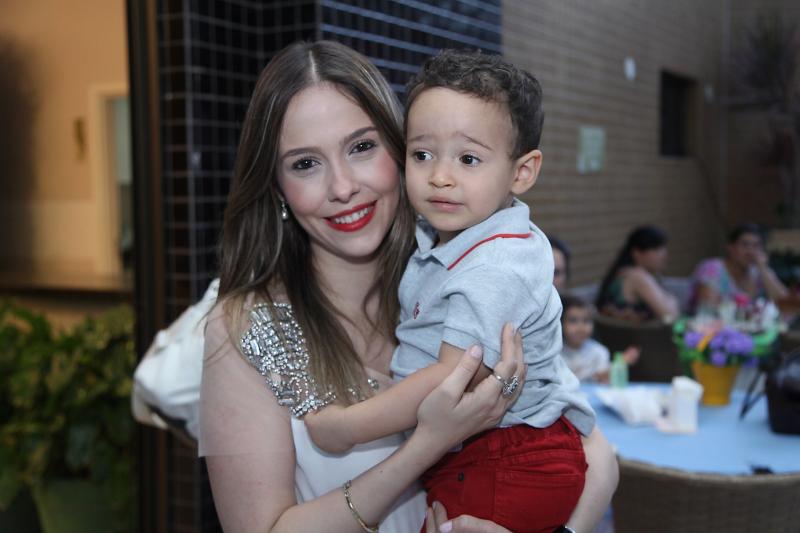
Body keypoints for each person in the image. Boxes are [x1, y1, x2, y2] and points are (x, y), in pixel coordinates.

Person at [199, 41, 617, 533]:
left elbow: (593, 450)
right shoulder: (244, 328)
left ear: (397, 151)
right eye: (305, 164)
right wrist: (426, 445)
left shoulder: (450, 275)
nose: (342, 187)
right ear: (277, 187)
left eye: (361, 147)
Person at [303, 49, 595, 533]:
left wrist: (347, 426)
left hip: (511, 456)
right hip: (489, 449)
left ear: (522, 172)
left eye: (468, 158)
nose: (440, 176)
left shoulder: (496, 263)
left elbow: (451, 376)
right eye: (422, 155)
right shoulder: (453, 239)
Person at [689, 223, 789, 314]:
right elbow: (708, 307)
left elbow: (785, 303)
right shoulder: (712, 268)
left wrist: (763, 269)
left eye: (756, 246)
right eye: (745, 245)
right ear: (730, 247)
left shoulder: (758, 272)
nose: (750, 251)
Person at [595, 225, 679, 323]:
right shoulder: (638, 276)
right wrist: (672, 300)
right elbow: (670, 317)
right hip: (640, 333)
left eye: (663, 247)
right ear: (637, 253)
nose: (663, 254)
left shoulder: (623, 272)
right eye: (656, 249)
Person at [560, 294, 640, 382]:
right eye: (573, 320)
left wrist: (620, 362)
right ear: (561, 324)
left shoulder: (599, 352)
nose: (581, 327)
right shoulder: (556, 352)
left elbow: (603, 378)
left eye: (586, 320)